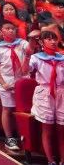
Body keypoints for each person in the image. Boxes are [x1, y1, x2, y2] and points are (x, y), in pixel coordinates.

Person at [0, 21, 29, 153]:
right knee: (7, 109)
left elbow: (30, 50)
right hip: (6, 81)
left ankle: (24, 137)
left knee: (23, 110)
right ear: (2, 31)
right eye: (7, 28)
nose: (11, 30)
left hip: (22, 81)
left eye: (13, 28)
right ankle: (9, 138)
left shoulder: (22, 43)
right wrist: (3, 83)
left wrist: (33, 40)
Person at [29, 30, 64, 164]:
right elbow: (26, 71)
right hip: (45, 93)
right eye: (49, 39)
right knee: (47, 128)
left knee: (62, 129)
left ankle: (62, 160)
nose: (53, 42)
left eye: (54, 39)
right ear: (42, 42)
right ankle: (50, 161)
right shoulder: (36, 57)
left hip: (61, 92)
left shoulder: (62, 58)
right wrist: (27, 55)